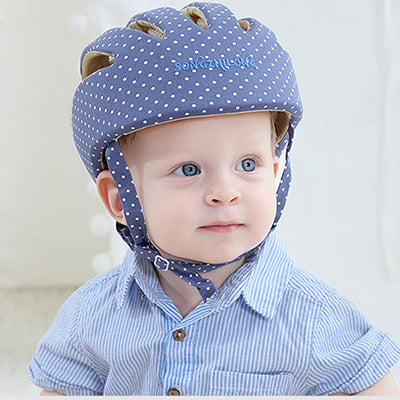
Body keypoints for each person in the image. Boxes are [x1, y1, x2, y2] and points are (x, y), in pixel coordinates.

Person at [29, 2, 400, 396]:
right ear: (121, 198)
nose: (225, 192)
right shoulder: (91, 317)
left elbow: (373, 386)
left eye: (247, 164)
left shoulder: (314, 318)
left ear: (276, 172)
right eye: (189, 169)